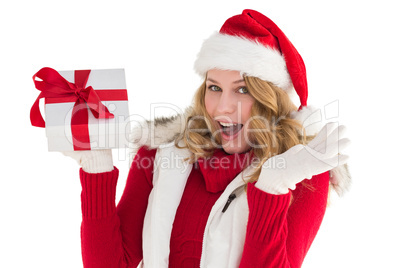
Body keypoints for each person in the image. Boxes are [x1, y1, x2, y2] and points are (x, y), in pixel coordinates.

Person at [66, 9, 350, 268]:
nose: (222, 106)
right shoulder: (159, 154)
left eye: (242, 90)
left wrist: (273, 186)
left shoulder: (304, 176)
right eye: (214, 87)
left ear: (271, 99)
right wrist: (96, 164)